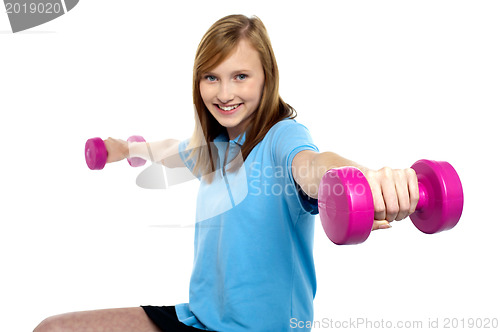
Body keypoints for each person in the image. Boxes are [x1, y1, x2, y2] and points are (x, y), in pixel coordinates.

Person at [34, 14, 419, 332]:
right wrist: (127, 150)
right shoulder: (213, 146)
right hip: (196, 319)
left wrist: (365, 179)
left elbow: (313, 165)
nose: (223, 93)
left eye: (240, 76)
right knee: (51, 330)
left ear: (267, 77)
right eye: (211, 77)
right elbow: (171, 150)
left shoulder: (282, 137)